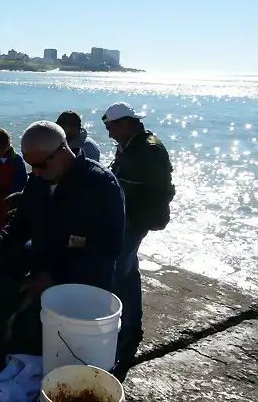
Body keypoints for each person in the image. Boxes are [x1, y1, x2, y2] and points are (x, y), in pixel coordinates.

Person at [0, 121, 125, 351]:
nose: (34, 171)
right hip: (42, 280)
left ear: (63, 151)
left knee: (72, 349)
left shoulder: (101, 185)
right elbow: (21, 221)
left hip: (83, 289)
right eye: (30, 165)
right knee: (37, 344)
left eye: (40, 164)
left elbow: (108, 248)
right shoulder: (39, 180)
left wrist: (56, 276)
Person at [101, 102, 175, 363]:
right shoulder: (134, 144)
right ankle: (132, 325)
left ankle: (124, 329)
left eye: (111, 127)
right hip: (132, 218)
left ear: (124, 123)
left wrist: (130, 217)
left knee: (120, 271)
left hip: (135, 220)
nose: (109, 133)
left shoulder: (147, 150)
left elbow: (150, 190)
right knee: (128, 270)